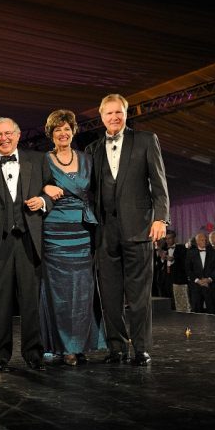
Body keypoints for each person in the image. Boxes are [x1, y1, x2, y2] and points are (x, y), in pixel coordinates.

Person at [87, 94, 169, 366]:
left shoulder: (146, 140)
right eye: (109, 113)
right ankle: (116, 348)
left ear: (126, 113)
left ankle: (141, 348)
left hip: (139, 228)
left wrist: (161, 219)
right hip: (104, 233)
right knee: (109, 296)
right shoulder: (93, 149)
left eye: (118, 113)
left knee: (139, 295)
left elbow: (159, 184)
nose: (114, 118)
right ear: (101, 117)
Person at [0, 117, 52, 372]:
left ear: (18, 136)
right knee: (1, 303)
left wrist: (43, 201)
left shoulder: (38, 160)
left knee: (31, 302)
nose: (3, 138)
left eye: (8, 133)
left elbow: (52, 191)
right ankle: (0, 356)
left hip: (29, 241)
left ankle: (33, 354)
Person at [38, 110, 104, 366]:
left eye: (67, 129)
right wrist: (45, 187)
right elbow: (32, 184)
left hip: (83, 231)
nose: (63, 134)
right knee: (59, 293)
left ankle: (81, 344)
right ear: (51, 134)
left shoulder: (88, 159)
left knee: (83, 291)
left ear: (73, 131)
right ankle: (65, 347)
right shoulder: (43, 160)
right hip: (54, 233)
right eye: (57, 130)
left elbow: (97, 192)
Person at [185, 232, 215, 314]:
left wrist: (209, 279)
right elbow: (188, 269)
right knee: (196, 311)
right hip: (196, 287)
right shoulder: (190, 253)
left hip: (210, 286)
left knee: (212, 311)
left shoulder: (214, 253)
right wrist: (198, 281)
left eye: (205, 240)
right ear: (197, 242)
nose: (204, 241)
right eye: (202, 240)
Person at [161, 230, 189, 312]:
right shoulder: (163, 249)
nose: (168, 240)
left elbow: (184, 263)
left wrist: (173, 260)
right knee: (168, 298)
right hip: (166, 278)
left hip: (178, 278)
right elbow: (159, 265)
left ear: (174, 238)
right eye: (166, 239)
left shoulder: (181, 248)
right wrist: (162, 259)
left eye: (170, 238)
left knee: (179, 300)